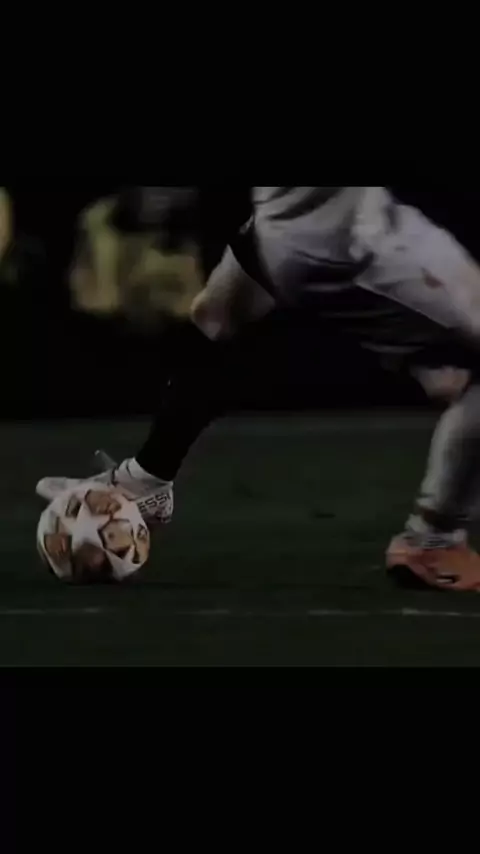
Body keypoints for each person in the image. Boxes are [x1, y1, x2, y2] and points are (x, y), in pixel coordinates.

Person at [37, 186, 480, 591]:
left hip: (285, 223)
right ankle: (433, 540)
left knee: (214, 315)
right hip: (349, 239)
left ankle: (144, 480)